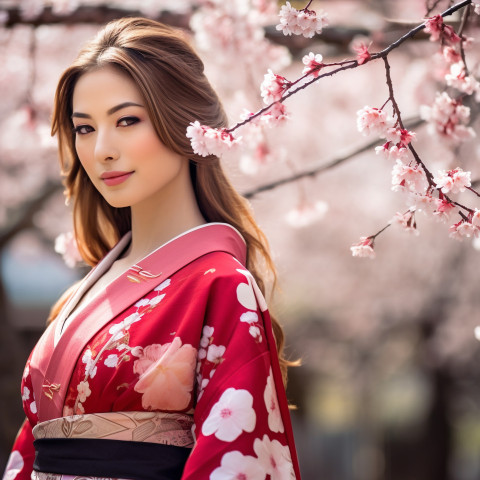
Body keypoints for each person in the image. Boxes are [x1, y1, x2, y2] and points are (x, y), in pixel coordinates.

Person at [3, 17, 301, 480]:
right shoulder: (83, 292)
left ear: (185, 123)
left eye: (127, 120)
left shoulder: (223, 286)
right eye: (85, 129)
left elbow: (235, 455)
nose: (102, 149)